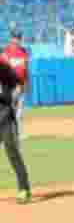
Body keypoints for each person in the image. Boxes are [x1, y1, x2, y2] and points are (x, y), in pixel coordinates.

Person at [0, 53, 30, 204]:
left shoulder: (4, 68)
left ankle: (23, 188)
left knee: (12, 152)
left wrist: (13, 99)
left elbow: (19, 84)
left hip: (5, 117)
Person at [2, 30, 30, 139]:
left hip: (21, 85)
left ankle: (17, 133)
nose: (17, 40)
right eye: (15, 37)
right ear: (11, 39)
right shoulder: (6, 51)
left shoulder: (23, 51)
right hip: (10, 86)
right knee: (9, 111)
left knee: (19, 112)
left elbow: (26, 69)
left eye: (18, 37)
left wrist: (27, 83)